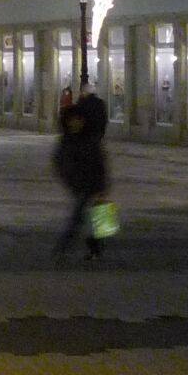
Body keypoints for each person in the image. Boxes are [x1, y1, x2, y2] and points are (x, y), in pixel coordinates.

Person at [52, 81, 109, 259]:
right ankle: (69, 246)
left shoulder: (88, 139)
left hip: (93, 183)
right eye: (73, 121)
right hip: (82, 184)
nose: (76, 123)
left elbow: (99, 161)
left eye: (78, 120)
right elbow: (61, 162)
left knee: (95, 217)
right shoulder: (69, 141)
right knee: (80, 216)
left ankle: (93, 248)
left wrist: (102, 186)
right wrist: (73, 180)